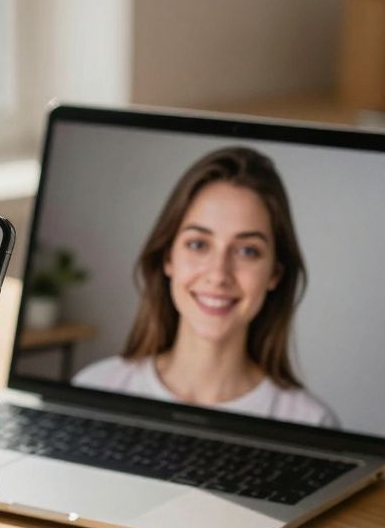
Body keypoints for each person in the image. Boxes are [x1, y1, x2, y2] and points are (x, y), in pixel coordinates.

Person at [72, 147, 339, 427]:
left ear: (275, 273)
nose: (218, 274)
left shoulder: (311, 422)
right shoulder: (92, 388)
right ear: (168, 258)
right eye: (198, 244)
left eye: (247, 251)